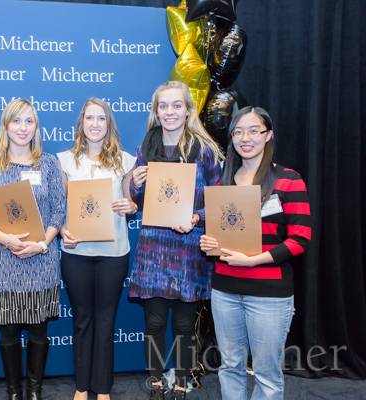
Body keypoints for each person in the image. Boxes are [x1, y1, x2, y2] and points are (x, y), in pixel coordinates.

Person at [200, 106, 311, 400]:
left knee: (266, 374)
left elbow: (301, 240)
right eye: (238, 132)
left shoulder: (288, 180)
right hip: (224, 290)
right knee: (230, 366)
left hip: (270, 295)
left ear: (268, 135)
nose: (244, 138)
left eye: (253, 131)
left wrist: (254, 260)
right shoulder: (222, 182)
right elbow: (219, 236)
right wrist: (210, 245)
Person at [128, 81, 223, 400]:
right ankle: (156, 381)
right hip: (154, 246)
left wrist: (197, 217)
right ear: (156, 111)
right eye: (163, 106)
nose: (169, 112)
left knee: (184, 324)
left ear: (188, 110)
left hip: (187, 247)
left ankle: (181, 382)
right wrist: (136, 184)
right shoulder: (147, 145)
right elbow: (139, 200)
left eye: (176, 105)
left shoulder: (204, 149)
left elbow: (219, 199)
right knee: (154, 321)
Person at [0, 99, 65, 400]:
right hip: (5, 259)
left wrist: (41, 244)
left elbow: (58, 212)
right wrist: (6, 240)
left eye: (29, 121)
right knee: (9, 331)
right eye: (17, 121)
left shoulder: (49, 163)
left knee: (39, 330)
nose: (23, 128)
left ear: (36, 127)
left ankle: (35, 390)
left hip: (42, 258)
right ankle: (14, 392)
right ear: (6, 126)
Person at [57, 98, 137, 400]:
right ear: (81, 124)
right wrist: (63, 230)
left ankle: (102, 388)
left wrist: (130, 206)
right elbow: (59, 207)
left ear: (109, 124)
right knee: (82, 319)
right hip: (77, 253)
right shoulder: (64, 161)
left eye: (100, 118)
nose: (94, 124)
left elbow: (132, 205)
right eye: (89, 118)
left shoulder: (125, 161)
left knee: (106, 319)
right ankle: (81, 387)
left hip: (113, 253)